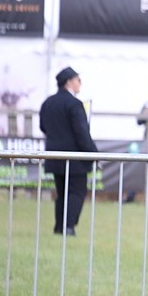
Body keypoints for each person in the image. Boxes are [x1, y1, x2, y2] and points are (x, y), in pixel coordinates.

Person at [39, 67, 98, 236]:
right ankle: (69, 226)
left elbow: (43, 126)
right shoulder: (74, 104)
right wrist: (93, 153)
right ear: (69, 82)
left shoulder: (48, 102)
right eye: (78, 80)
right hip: (74, 159)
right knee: (76, 192)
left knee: (62, 193)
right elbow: (82, 133)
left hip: (54, 156)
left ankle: (59, 226)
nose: (80, 84)